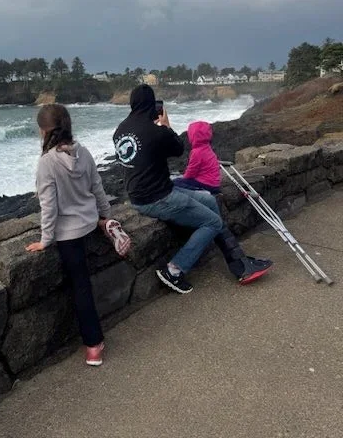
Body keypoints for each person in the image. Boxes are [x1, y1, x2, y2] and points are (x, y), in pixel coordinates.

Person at [113, 85, 272, 294]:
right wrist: (165, 125)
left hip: (139, 195)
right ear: (152, 104)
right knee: (212, 222)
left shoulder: (120, 130)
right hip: (158, 199)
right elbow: (178, 149)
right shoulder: (155, 131)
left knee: (209, 201)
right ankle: (174, 270)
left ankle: (238, 261)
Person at [26, 103, 131, 367]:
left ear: (42, 131)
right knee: (86, 283)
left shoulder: (46, 163)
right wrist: (105, 216)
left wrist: (45, 240)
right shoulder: (83, 153)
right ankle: (94, 344)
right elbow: (97, 188)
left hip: (68, 235)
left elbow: (48, 206)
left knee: (80, 288)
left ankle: (93, 346)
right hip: (89, 223)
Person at [173, 121, 221, 195]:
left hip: (207, 184)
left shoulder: (197, 152)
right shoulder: (207, 147)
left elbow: (192, 171)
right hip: (215, 183)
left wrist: (184, 178)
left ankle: (201, 193)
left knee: (175, 183)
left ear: (192, 136)